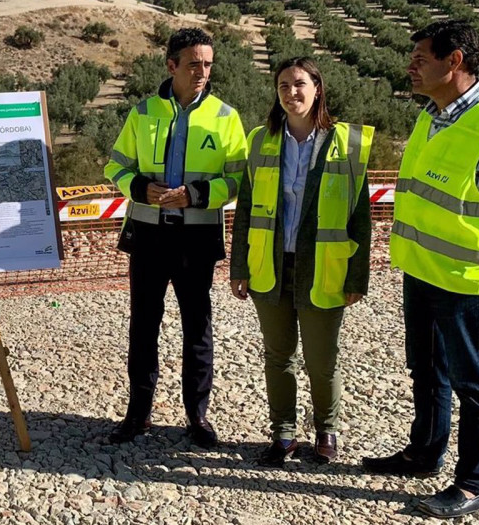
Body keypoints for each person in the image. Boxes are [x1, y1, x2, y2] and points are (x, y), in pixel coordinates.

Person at [363, 20, 479, 518]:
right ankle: (424, 454)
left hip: (464, 279)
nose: (411, 66)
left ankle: (474, 482)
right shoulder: (432, 115)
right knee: (427, 369)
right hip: (421, 269)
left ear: (455, 61)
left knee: (472, 380)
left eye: (421, 57)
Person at [103, 28, 248, 446]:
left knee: (197, 328)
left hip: (196, 239)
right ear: (172, 66)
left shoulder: (226, 116)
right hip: (148, 236)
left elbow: (237, 180)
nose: (202, 71)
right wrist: (136, 188)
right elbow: (115, 167)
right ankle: (138, 414)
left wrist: (197, 195)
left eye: (207, 64)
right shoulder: (142, 112)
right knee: (143, 327)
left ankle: (197, 417)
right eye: (193, 64)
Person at [229, 57, 372, 467]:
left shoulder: (347, 143)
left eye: (300, 84)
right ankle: (284, 433)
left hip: (323, 268)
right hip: (269, 266)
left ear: (317, 88)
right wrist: (240, 267)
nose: (292, 93)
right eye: (284, 87)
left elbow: (359, 216)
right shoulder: (261, 141)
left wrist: (357, 276)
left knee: (321, 360)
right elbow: (245, 211)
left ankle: (326, 430)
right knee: (278, 357)